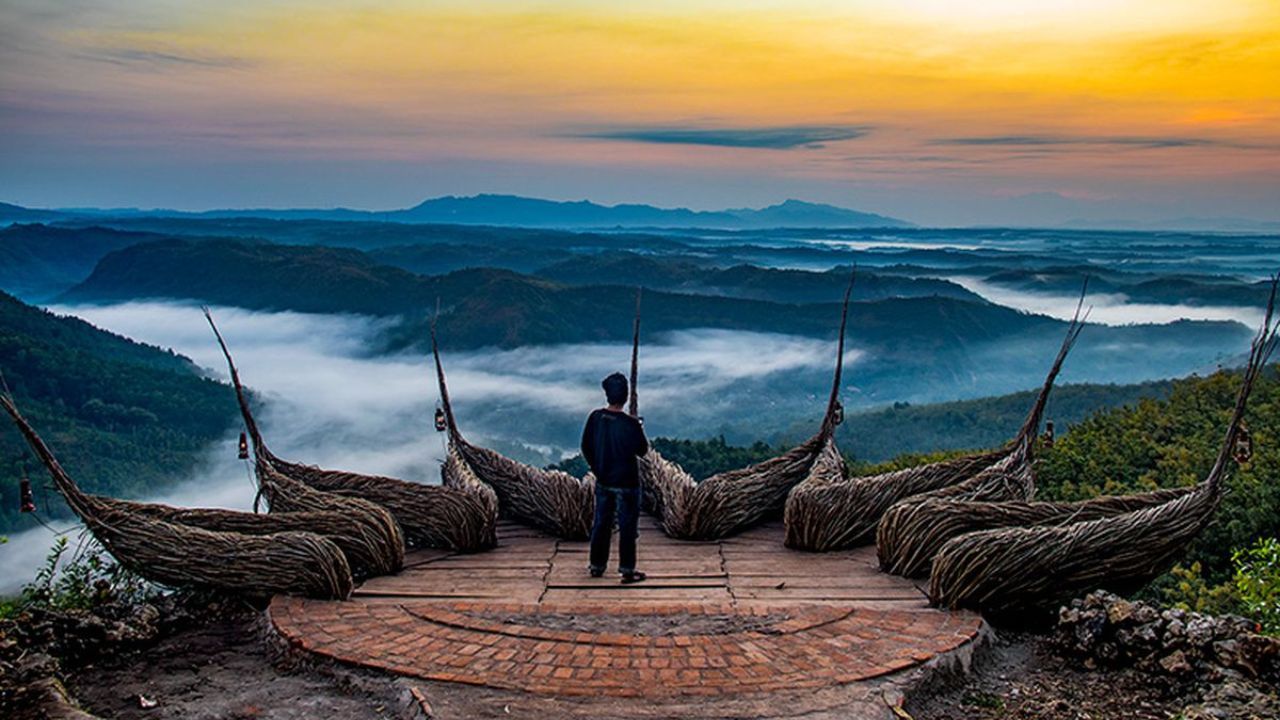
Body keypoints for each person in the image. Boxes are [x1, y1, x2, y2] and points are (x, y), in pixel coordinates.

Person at [581, 372, 649, 584]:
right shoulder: (630, 424)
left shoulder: (595, 418)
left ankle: (596, 565)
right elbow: (642, 450)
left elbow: (586, 447)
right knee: (628, 526)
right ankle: (627, 569)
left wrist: (597, 468)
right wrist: (639, 427)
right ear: (626, 396)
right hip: (627, 482)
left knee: (601, 522)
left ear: (607, 394)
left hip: (604, 480)